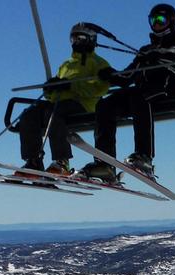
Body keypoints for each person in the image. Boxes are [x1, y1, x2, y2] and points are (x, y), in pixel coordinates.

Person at [81, 4, 175, 182]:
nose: (156, 24)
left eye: (161, 20)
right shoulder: (145, 50)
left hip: (165, 91)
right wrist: (111, 75)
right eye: (153, 20)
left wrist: (162, 60)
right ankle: (104, 164)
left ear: (171, 22)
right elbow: (128, 77)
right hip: (140, 93)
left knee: (139, 96)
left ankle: (144, 157)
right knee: (105, 104)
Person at [16, 23, 111, 177]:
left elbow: (100, 88)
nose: (76, 42)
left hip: (84, 104)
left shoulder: (98, 63)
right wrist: (51, 89)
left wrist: (72, 86)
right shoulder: (66, 65)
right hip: (60, 104)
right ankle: (33, 161)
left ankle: (62, 161)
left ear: (90, 39)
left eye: (79, 38)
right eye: (73, 38)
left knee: (53, 112)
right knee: (29, 114)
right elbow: (55, 96)